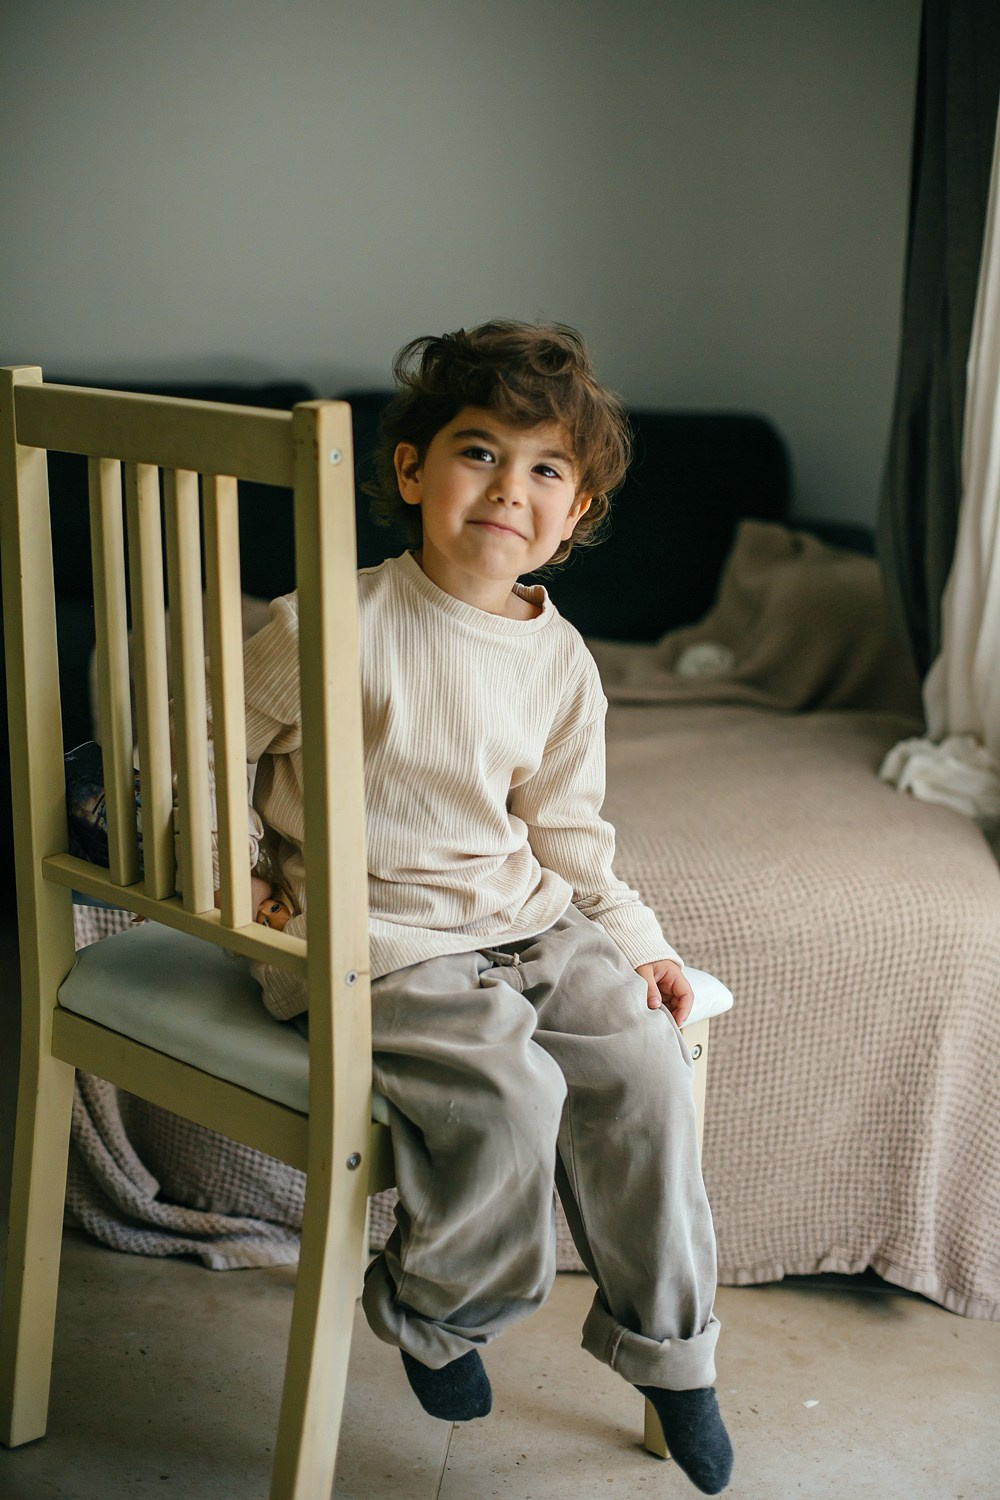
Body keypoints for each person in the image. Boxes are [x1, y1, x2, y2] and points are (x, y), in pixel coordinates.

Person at [238, 320, 733, 1495]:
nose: (509, 488)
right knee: (514, 1090)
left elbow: (571, 842)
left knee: (644, 1068)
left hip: (524, 917)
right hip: (379, 939)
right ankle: (438, 1307)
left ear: (573, 522)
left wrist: (642, 948)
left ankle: (673, 1349)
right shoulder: (329, 621)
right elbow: (215, 749)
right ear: (411, 473)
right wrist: (236, 871)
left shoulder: (562, 663)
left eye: (546, 470)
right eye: (478, 452)